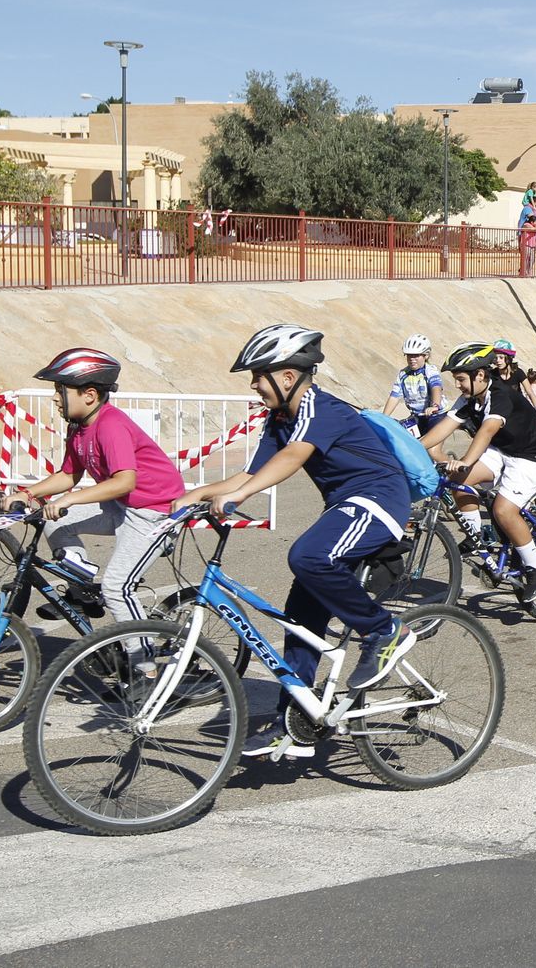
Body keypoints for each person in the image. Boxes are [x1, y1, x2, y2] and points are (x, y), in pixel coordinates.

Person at [176, 325, 415, 759]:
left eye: (258, 375)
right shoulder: (281, 418)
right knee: (300, 618)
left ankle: (384, 630)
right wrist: (199, 493)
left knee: (307, 555)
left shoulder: (321, 409)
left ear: (287, 376)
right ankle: (298, 718)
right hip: (345, 505)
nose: (252, 384)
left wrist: (239, 497)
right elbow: (252, 473)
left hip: (378, 499)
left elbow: (293, 457)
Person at [20, 349, 184, 672]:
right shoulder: (79, 427)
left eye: (60, 390)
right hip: (121, 505)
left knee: (117, 587)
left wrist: (68, 500)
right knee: (54, 523)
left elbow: (124, 481)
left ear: (90, 395)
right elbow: (70, 475)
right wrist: (29, 492)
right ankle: (83, 591)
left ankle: (145, 669)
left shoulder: (110, 426)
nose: (55, 399)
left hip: (155, 512)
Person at [423, 343, 536, 597]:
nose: (458, 385)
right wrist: (410, 449)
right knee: (458, 480)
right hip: (502, 450)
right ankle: (477, 539)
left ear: (480, 375)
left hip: (531, 455)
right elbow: (443, 428)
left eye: (461, 379)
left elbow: (486, 431)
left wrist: (466, 460)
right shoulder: (470, 398)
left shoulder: (500, 395)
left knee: (504, 510)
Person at [382, 334, 448, 434]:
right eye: (409, 355)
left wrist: (435, 406)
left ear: (426, 355)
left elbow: (436, 387)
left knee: (432, 449)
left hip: (437, 415)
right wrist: (383, 418)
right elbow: (394, 397)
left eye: (416, 355)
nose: (412, 359)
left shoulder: (430, 370)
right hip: (418, 416)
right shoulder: (403, 374)